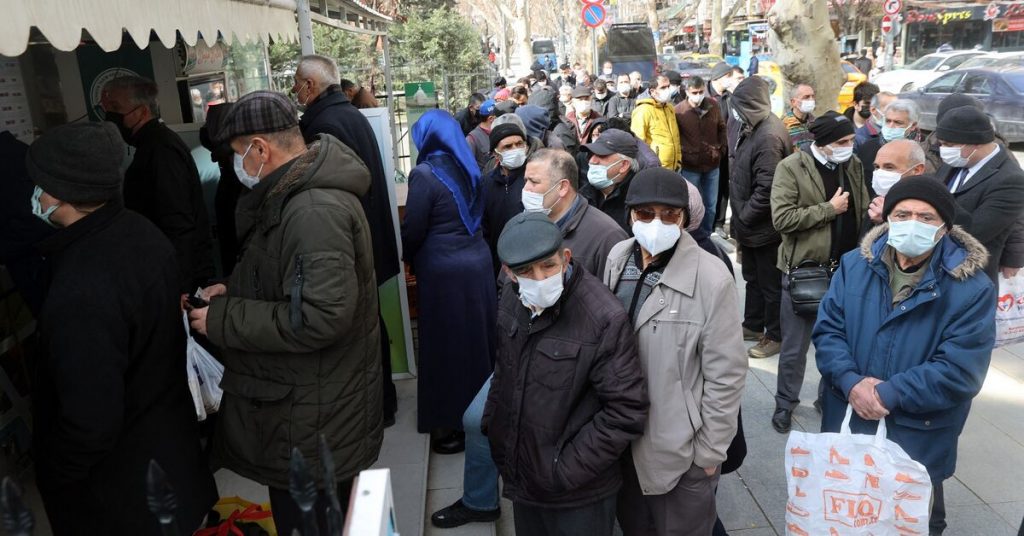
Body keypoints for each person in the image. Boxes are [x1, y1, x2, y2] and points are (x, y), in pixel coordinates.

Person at [190, 91, 383, 534]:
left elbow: (319, 316)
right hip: (310, 406)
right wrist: (233, 289)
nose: (237, 165)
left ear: (260, 149)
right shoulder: (294, 194)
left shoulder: (312, 210)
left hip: (313, 416)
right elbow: (291, 276)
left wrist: (221, 320)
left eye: (238, 153)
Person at [27, 122, 217, 534]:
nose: (34, 194)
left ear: (59, 192)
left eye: (38, 184)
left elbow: (90, 419)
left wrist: (56, 473)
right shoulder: (141, 233)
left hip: (123, 496)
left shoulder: (81, 286)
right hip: (170, 460)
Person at [430, 149, 628, 529]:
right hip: (524, 354)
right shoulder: (525, 223)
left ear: (562, 187)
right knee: (479, 420)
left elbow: (613, 322)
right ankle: (482, 498)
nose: (526, 189)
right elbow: (507, 292)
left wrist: (565, 469)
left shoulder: (604, 235)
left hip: (575, 366)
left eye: (534, 182)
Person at [815, 176, 995, 536]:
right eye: (902, 214)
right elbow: (829, 330)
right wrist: (851, 383)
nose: (912, 223)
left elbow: (960, 369)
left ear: (944, 228)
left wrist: (888, 394)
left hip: (916, 432)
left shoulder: (972, 289)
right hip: (849, 418)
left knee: (907, 521)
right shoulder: (855, 265)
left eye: (926, 217)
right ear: (888, 219)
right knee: (843, 516)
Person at [483, 212, 649, 536]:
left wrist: (563, 469)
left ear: (566, 257)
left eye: (548, 266)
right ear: (508, 272)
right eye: (525, 271)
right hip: (523, 478)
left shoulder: (602, 317)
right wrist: (494, 426)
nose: (539, 278)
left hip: (578, 495)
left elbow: (625, 410)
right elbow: (504, 369)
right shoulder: (512, 297)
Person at [606, 168, 746, 536]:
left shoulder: (712, 277)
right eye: (646, 213)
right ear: (630, 215)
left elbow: (727, 374)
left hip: (679, 451)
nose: (657, 223)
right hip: (622, 438)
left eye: (669, 214)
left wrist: (709, 454)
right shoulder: (617, 258)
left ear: (684, 218)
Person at [294, 54, 400, 425]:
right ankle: (384, 402)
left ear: (310, 86)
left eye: (296, 84)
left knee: (359, 332)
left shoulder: (324, 126)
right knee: (370, 323)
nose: (294, 91)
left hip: (351, 244)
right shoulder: (349, 115)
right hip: (368, 237)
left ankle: (377, 407)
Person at [769, 111, 870, 433]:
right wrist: (829, 209)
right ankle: (785, 404)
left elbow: (861, 207)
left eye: (851, 140)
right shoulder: (791, 167)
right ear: (823, 143)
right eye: (842, 141)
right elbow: (782, 219)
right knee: (795, 347)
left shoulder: (852, 165)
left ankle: (828, 398)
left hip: (846, 272)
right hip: (806, 272)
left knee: (839, 344)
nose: (849, 146)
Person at [402, 110, 496, 453]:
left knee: (446, 347)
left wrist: (407, 256)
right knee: (477, 343)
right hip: (478, 265)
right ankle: (485, 415)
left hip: (444, 273)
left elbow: (414, 228)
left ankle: (450, 424)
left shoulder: (424, 175)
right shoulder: (471, 169)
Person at [99, 75, 214, 293]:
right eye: (106, 108)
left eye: (116, 107)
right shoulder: (152, 145)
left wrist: (179, 286)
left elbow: (178, 221)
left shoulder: (161, 149)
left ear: (142, 111)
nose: (109, 116)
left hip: (177, 275)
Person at [728, 76, 789, 359]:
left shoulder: (768, 136)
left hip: (764, 227)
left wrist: (745, 216)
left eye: (738, 107)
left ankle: (774, 335)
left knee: (770, 284)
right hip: (750, 225)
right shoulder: (753, 126)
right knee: (752, 278)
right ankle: (753, 324)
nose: (734, 113)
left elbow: (768, 189)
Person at [935, 105, 1024, 282]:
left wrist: (933, 197)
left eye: (949, 145)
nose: (943, 149)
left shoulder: (1011, 180)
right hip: (936, 270)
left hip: (970, 279)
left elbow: (974, 233)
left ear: (976, 143)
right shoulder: (958, 161)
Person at [676, 75, 726, 236]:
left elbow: (721, 127)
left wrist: (721, 149)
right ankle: (693, 236)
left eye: (701, 92)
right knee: (692, 205)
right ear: (687, 92)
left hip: (712, 164)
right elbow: (676, 137)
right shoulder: (679, 111)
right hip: (690, 166)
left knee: (710, 205)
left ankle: (707, 234)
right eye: (694, 92)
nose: (698, 95)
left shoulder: (713, 105)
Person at [482, 122, 537, 269]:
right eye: (507, 147)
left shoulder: (534, 178)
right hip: (497, 262)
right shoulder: (486, 183)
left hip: (531, 258)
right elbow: (483, 228)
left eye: (519, 144)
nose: (515, 149)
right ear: (495, 153)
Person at [579, 129, 642, 233]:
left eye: (601, 155)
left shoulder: (639, 202)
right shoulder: (582, 196)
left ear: (624, 165)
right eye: (591, 154)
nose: (592, 161)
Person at [708, 62, 744, 237]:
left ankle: (719, 223)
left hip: (727, 150)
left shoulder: (730, 97)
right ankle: (706, 223)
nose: (730, 80)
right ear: (718, 78)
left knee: (724, 188)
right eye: (727, 76)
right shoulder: (705, 96)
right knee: (708, 189)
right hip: (708, 152)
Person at [855, 98, 920, 194]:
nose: (891, 126)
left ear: (913, 125)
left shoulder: (923, 150)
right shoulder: (868, 148)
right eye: (888, 121)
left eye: (898, 122)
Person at [866, 139, 929, 226]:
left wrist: (886, 220)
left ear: (917, 170)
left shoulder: (928, 207)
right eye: (877, 167)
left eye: (889, 167)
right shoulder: (879, 198)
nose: (880, 173)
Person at [631, 74, 682, 171]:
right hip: (656, 169)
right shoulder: (643, 110)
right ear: (652, 91)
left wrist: (678, 160)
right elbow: (638, 143)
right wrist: (649, 166)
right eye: (663, 87)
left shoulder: (669, 108)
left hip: (674, 167)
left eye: (668, 86)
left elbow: (676, 137)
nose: (667, 90)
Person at [782, 84, 816, 153]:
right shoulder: (783, 125)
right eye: (806, 97)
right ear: (793, 102)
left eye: (813, 96)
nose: (811, 100)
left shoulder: (816, 122)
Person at [466, 99, 498, 169]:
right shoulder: (472, 139)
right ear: (491, 119)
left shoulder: (498, 131)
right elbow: (468, 166)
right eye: (499, 116)